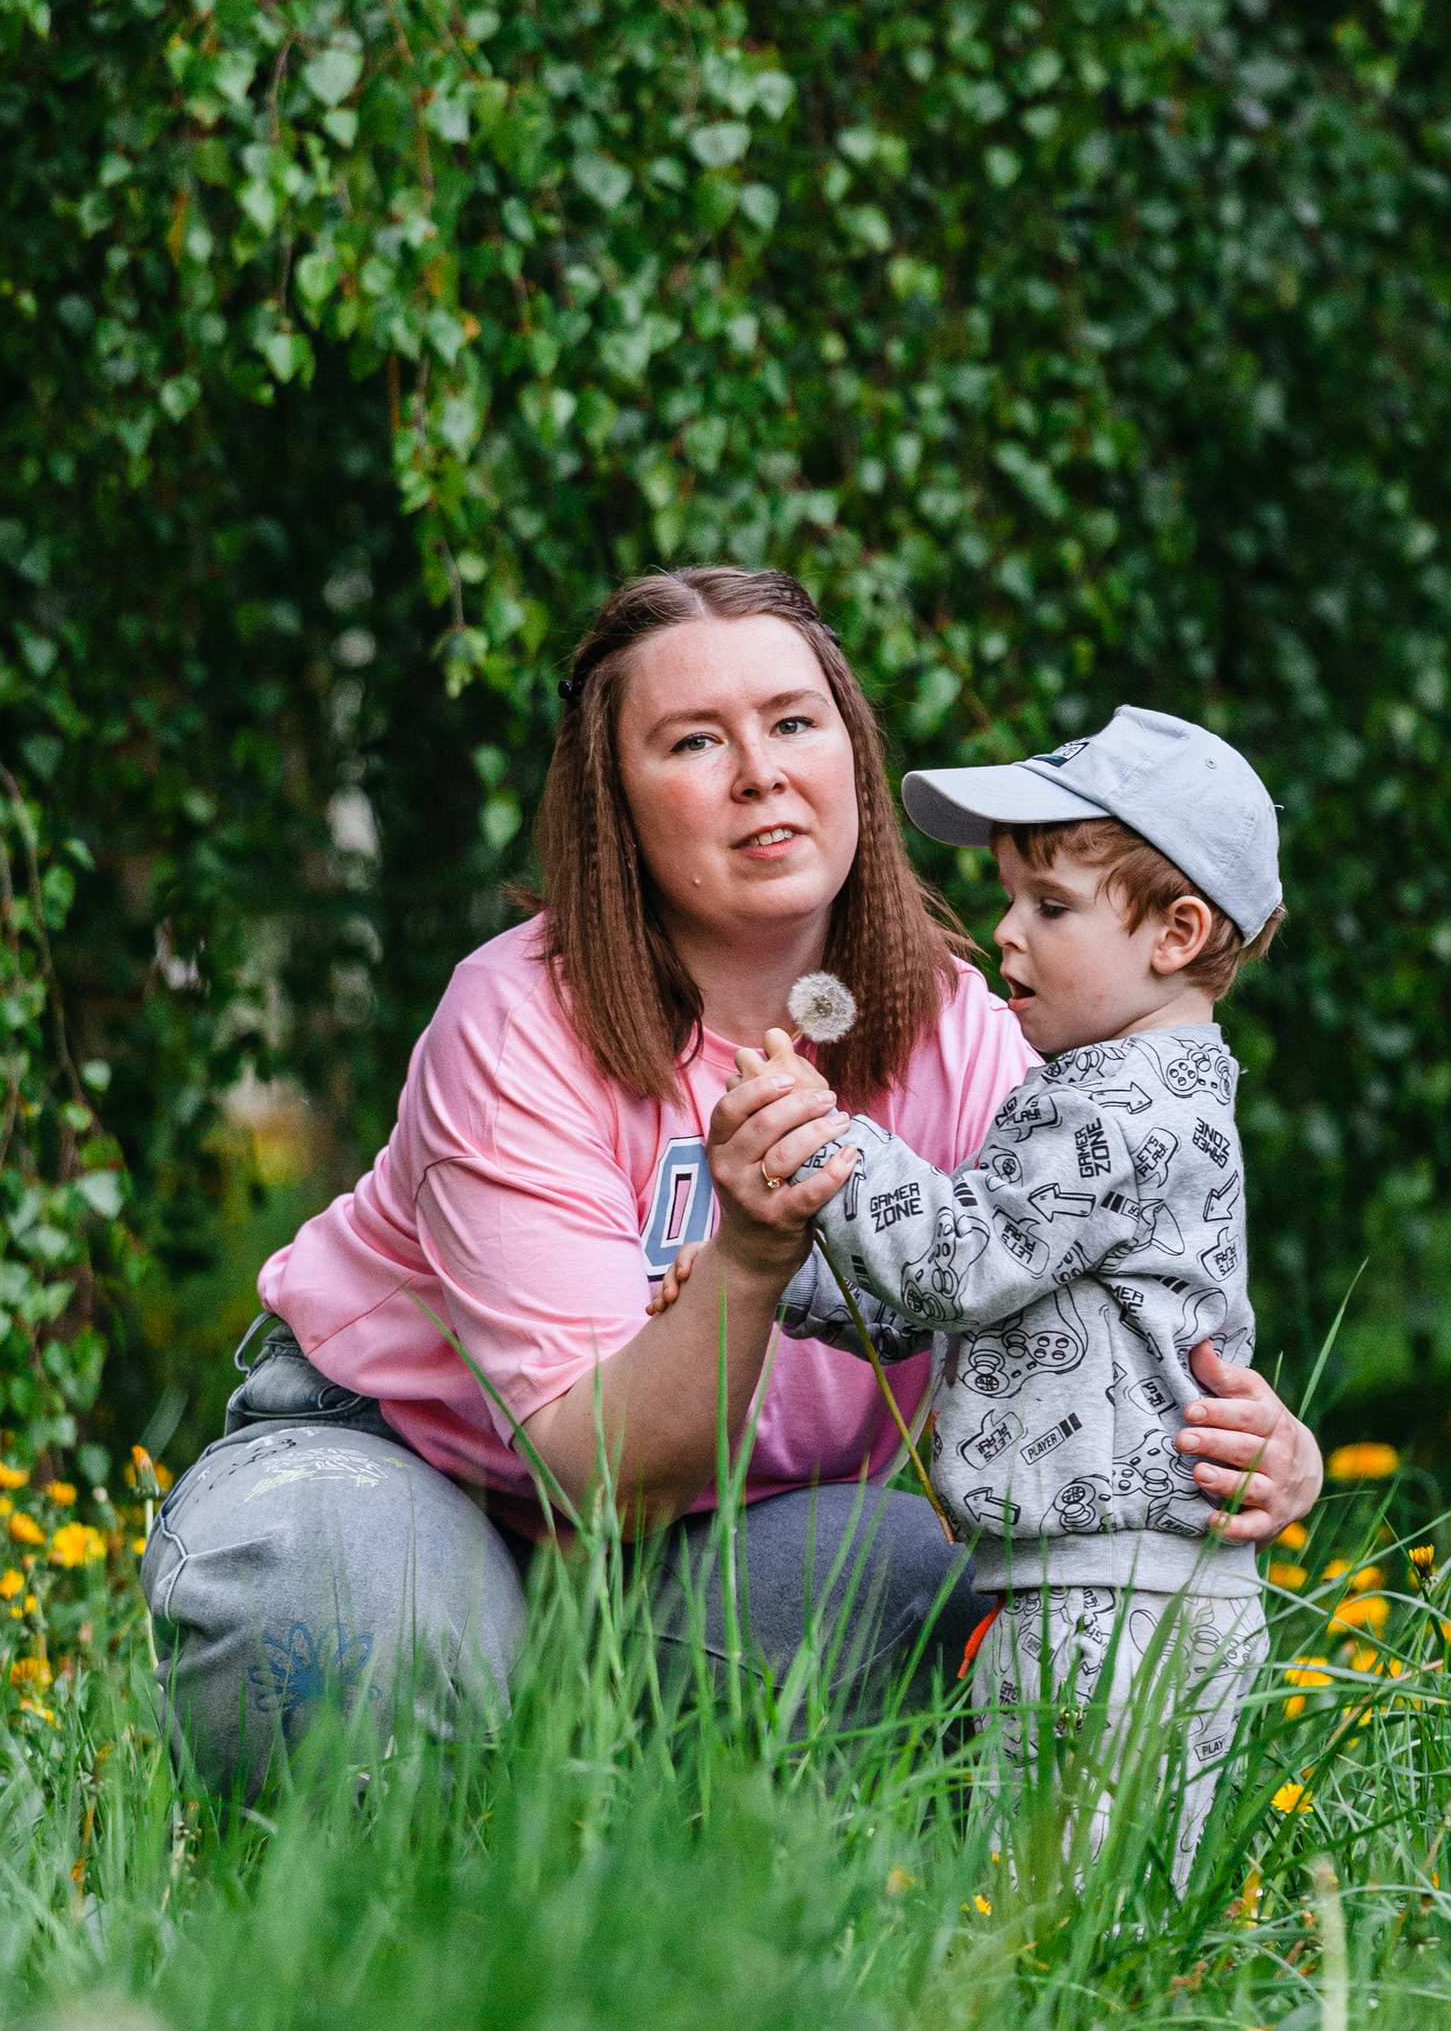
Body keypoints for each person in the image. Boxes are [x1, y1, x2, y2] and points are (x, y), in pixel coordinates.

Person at [140, 569, 1325, 1786]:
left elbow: (1105, 1291)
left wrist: (1245, 1443)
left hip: (728, 1546)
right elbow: (594, 1473)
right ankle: (396, 1900)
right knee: (324, 1606)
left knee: (956, 1597)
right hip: (417, 1474)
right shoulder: (512, 1020)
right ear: (618, 802)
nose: (759, 770)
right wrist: (756, 1252)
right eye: (696, 740)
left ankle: (712, 1894)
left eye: (793, 723)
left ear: (852, 760)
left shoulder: (973, 1035)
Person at [721, 705, 1285, 1876]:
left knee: (1052, 1910)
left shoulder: (1110, 1107)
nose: (1004, 934)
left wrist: (825, 1147)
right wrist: (775, 1278)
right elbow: (979, 1294)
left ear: (1176, 932)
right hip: (1146, 1590)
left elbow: (960, 1264)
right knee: (1116, 1900)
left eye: (1050, 906)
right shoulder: (1159, 1094)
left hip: (1103, 1606)